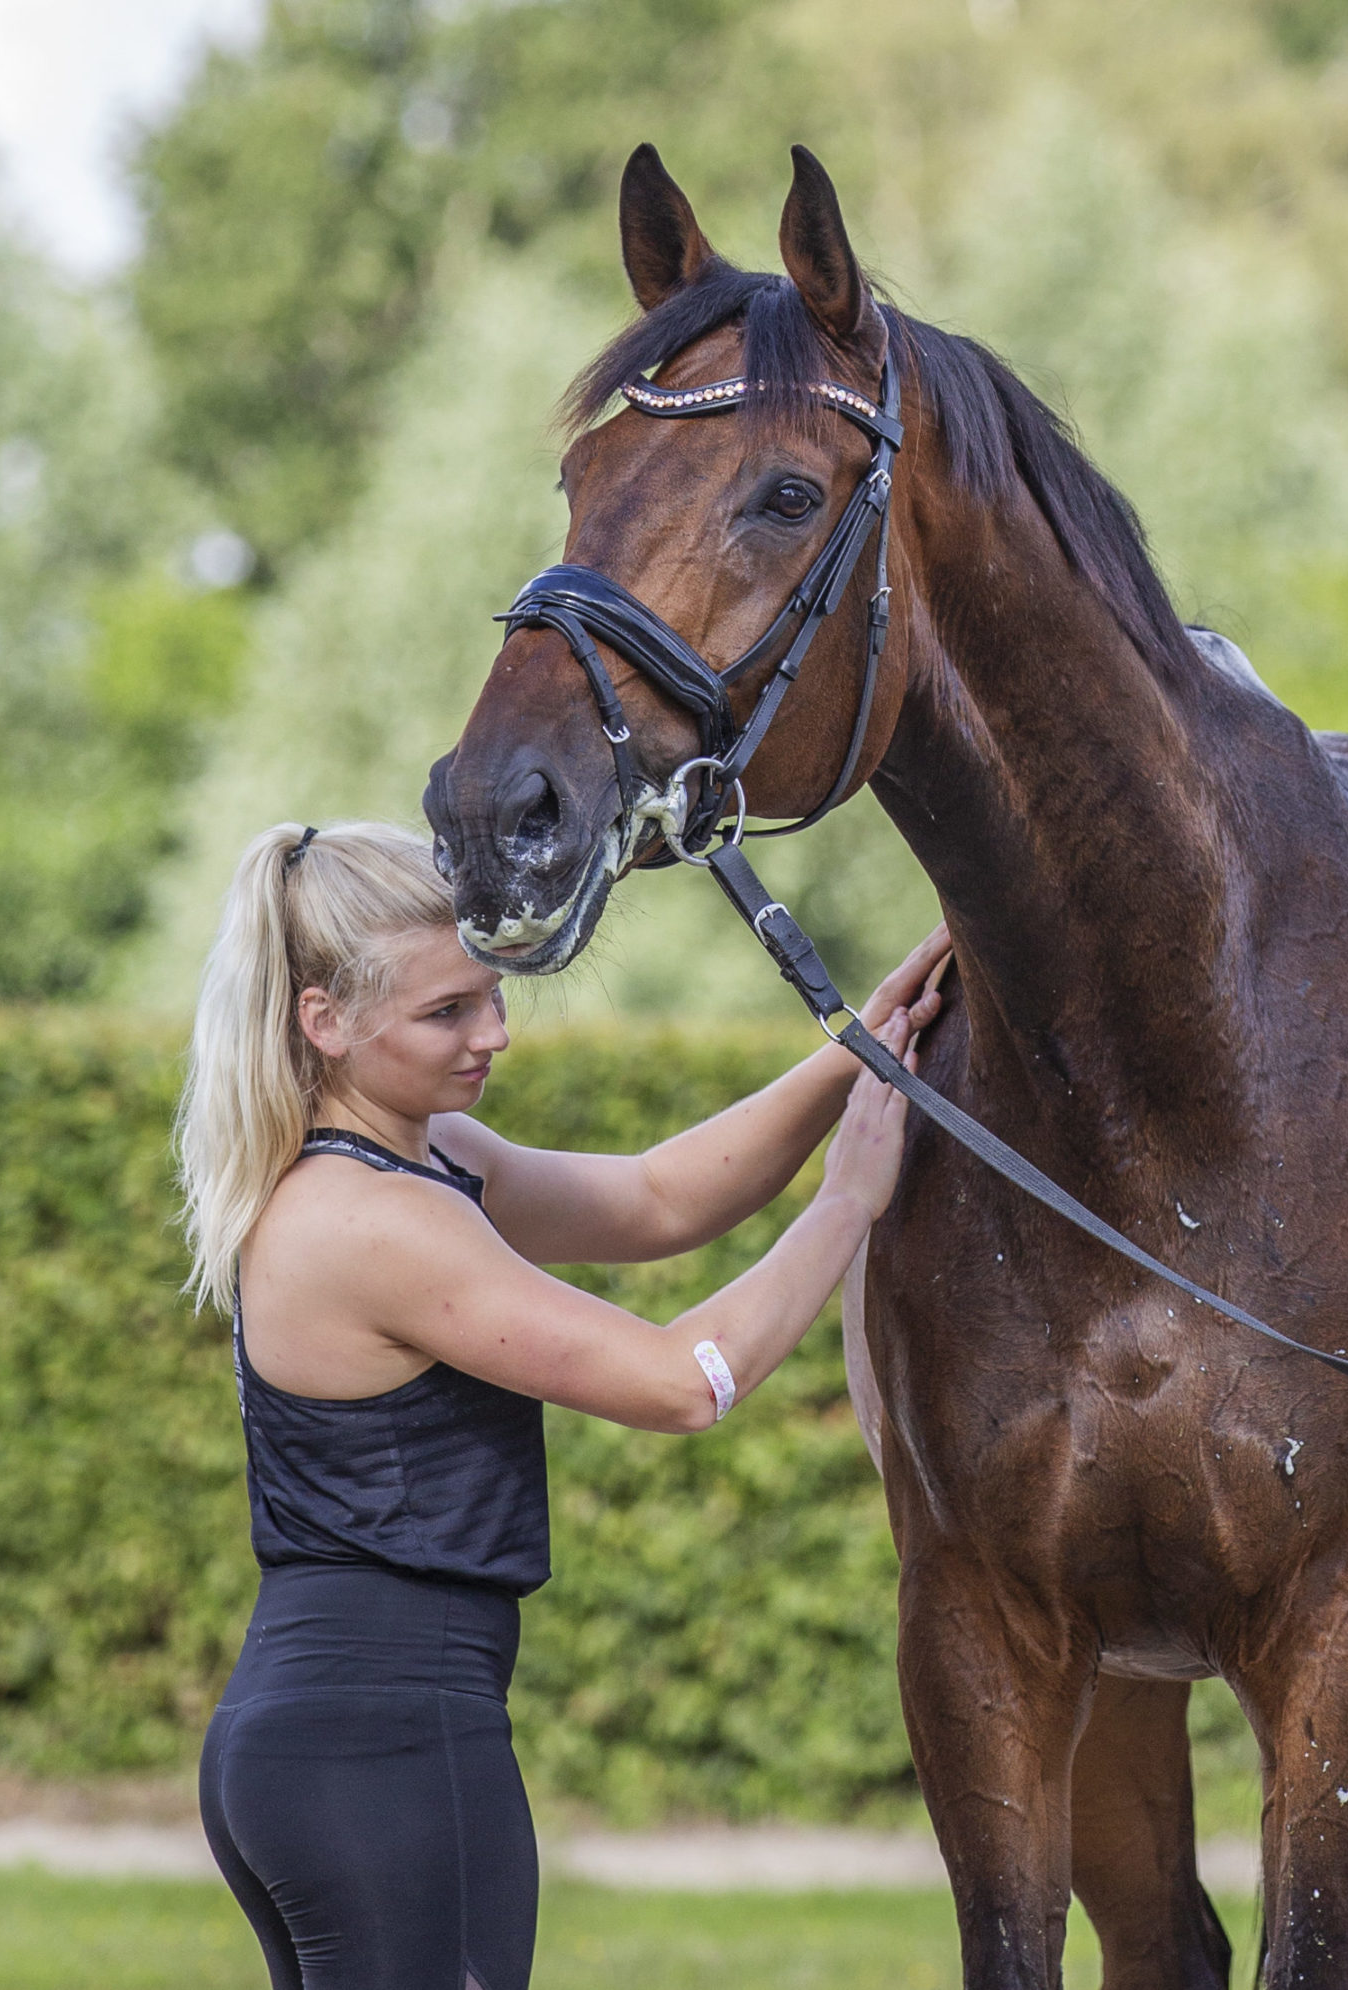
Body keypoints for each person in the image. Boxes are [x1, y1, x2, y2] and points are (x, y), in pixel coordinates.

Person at [174, 819, 948, 1990]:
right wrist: (848, 1204)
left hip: (333, 1732)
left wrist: (857, 1048)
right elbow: (684, 1382)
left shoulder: (419, 1160)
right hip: (383, 1743)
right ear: (322, 1019)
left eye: (492, 996)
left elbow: (655, 1199)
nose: (490, 1034)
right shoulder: (377, 1222)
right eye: (447, 1012)